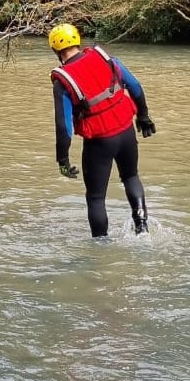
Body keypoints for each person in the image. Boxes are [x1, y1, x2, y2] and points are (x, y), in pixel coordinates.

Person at [48, 23, 155, 238]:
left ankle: (100, 246)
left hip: (99, 141)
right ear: (78, 40)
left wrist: (63, 160)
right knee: (131, 177)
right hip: (125, 131)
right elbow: (134, 86)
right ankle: (142, 227)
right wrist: (143, 116)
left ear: (55, 51)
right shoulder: (105, 58)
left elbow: (64, 126)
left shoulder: (63, 80)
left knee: (96, 198)